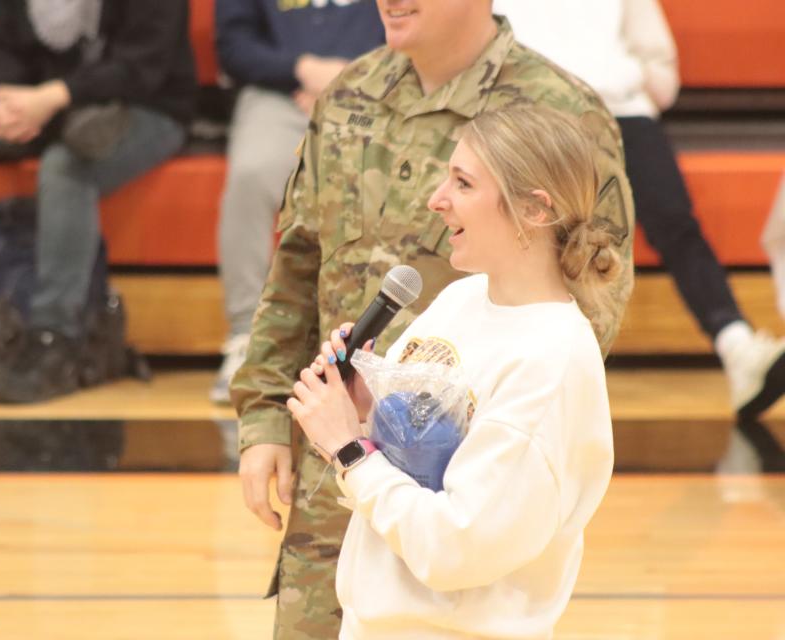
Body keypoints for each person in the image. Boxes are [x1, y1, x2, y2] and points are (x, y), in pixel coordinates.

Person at [230, 1, 635, 637]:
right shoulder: (350, 92)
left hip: (439, 496)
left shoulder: (562, 110)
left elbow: (587, 293)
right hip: (348, 463)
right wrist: (289, 416)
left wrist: (386, 448)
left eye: (462, 184)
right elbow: (297, 259)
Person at [289, 105, 615, 640]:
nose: (436, 200)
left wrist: (348, 450)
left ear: (534, 210)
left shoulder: (550, 362)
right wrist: (365, 410)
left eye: (462, 183)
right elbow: (418, 463)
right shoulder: (462, 299)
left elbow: (457, 546)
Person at [493, 0, 785, 470]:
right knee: (536, 242)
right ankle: (520, 389)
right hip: (532, 119)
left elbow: (662, 74)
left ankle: (737, 347)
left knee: (675, 221)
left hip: (621, 113)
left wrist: (616, 74)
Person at [0, 0, 195, 403]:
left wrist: (55, 97)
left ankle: (56, 337)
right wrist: (8, 99)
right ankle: (40, 129)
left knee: (65, 168)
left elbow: (142, 70)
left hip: (141, 107)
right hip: (44, 108)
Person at [210, 0, 385, 404]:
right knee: (250, 175)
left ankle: (372, 340)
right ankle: (245, 338)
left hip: (375, 90)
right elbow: (234, 45)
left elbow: (418, 23)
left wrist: (351, 79)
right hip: (278, 92)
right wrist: (300, 70)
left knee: (381, 180)